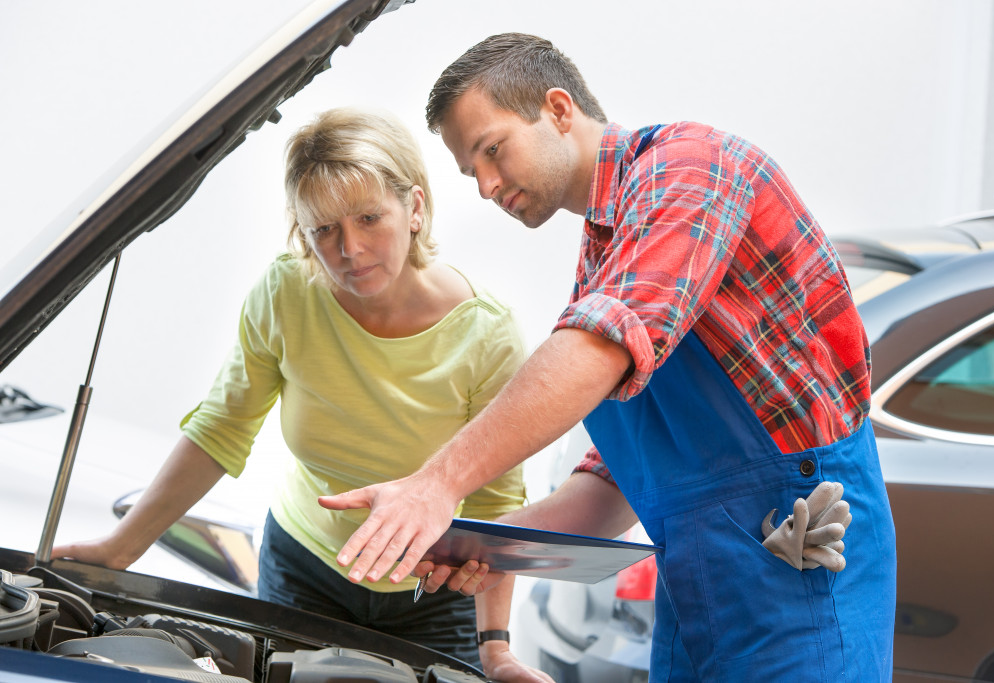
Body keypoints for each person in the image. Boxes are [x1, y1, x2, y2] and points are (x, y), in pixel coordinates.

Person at [316, 34, 898, 682]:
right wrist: (493, 543)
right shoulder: (605, 257)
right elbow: (619, 479)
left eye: (492, 149)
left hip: (800, 576)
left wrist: (437, 483)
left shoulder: (691, 168)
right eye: (469, 171)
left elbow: (600, 344)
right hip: (700, 598)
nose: (484, 185)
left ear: (559, 109)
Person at [52, 106, 553, 682]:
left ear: (415, 208)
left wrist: (495, 649)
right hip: (303, 570)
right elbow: (221, 428)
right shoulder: (287, 292)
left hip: (433, 593)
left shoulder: (485, 332)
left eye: (369, 218)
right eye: (324, 229)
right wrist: (121, 549)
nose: (349, 249)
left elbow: (494, 502)